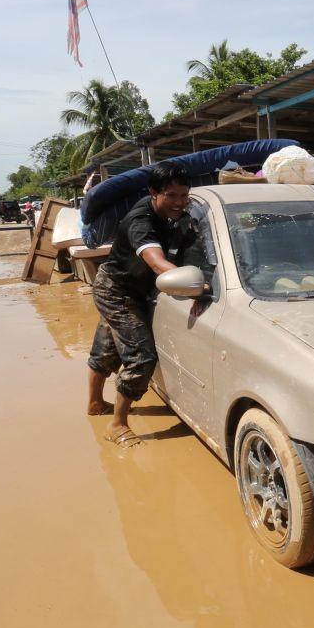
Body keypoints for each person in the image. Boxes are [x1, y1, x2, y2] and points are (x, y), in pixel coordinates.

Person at [86, 161, 202, 447]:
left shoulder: (178, 211)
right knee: (141, 356)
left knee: (107, 348)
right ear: (153, 192)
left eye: (184, 195)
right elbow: (157, 262)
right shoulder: (141, 223)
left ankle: (95, 404)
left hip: (135, 285)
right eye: (171, 196)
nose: (178, 202)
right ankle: (117, 424)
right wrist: (194, 286)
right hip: (116, 289)